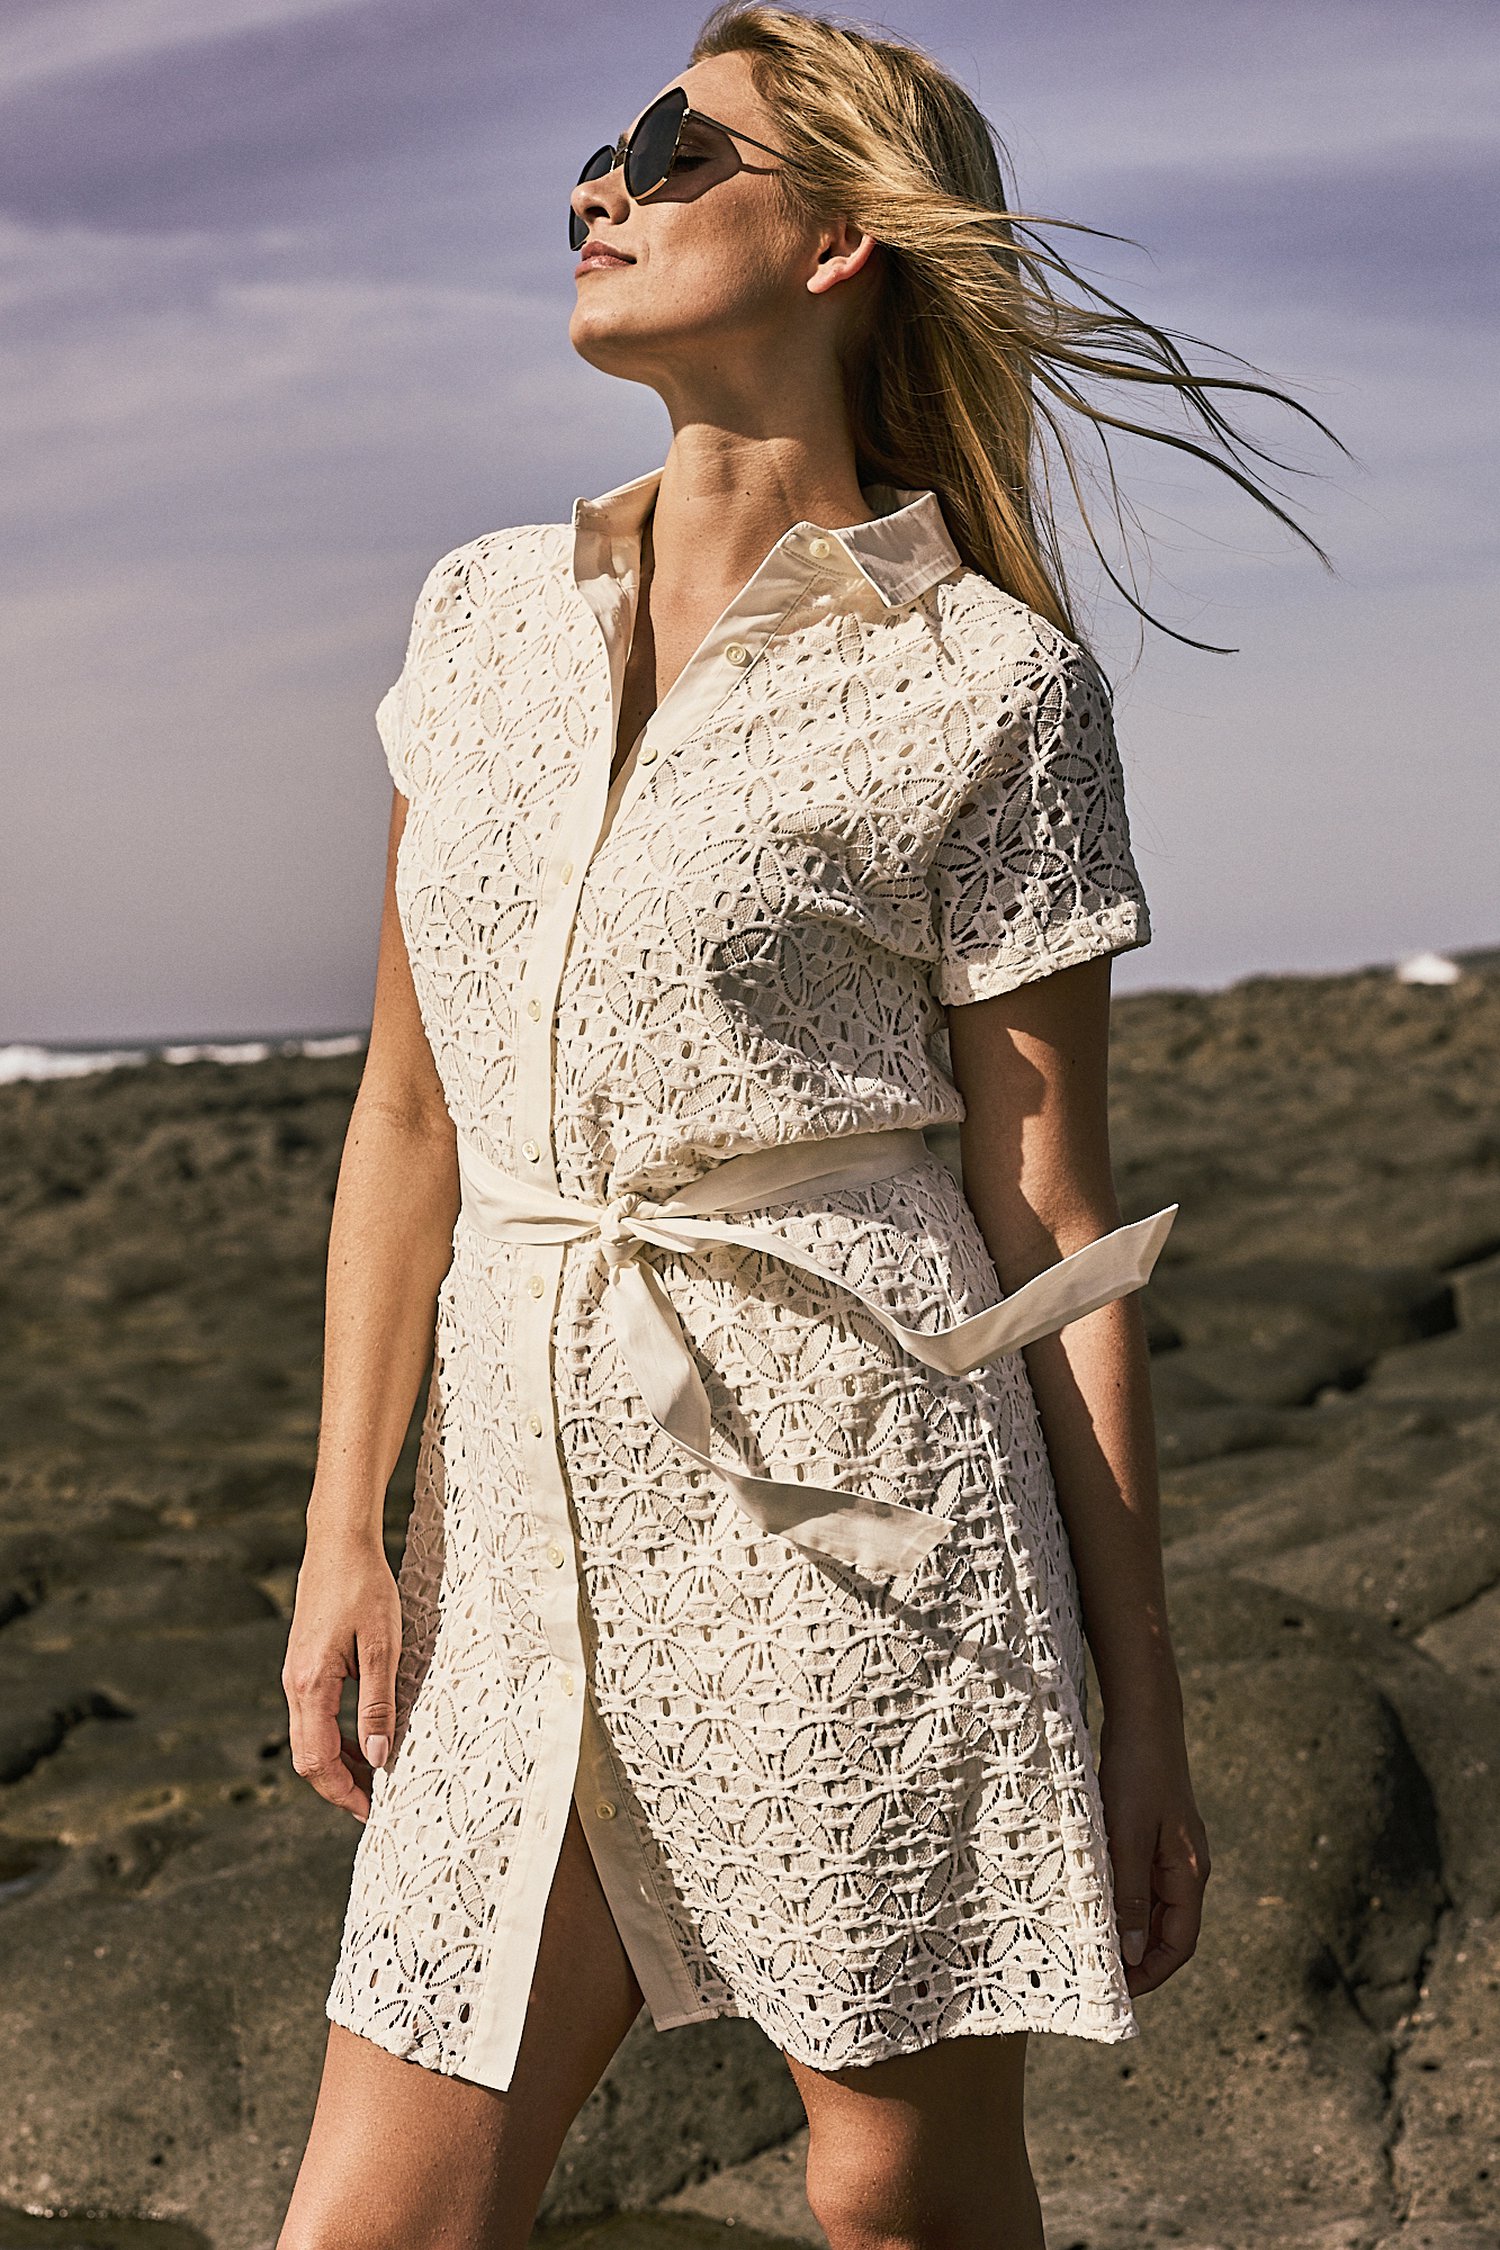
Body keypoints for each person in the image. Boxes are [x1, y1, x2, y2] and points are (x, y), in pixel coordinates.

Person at [277, 8, 1339, 2247]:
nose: (603, 182)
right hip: (517, 1523)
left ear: (841, 235)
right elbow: (409, 1116)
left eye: (677, 149)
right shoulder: (480, 619)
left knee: (892, 2196)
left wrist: (1141, 1700)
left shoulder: (991, 685)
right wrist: (341, 1534)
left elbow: (1053, 1225)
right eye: (607, 145)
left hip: (864, 1508)